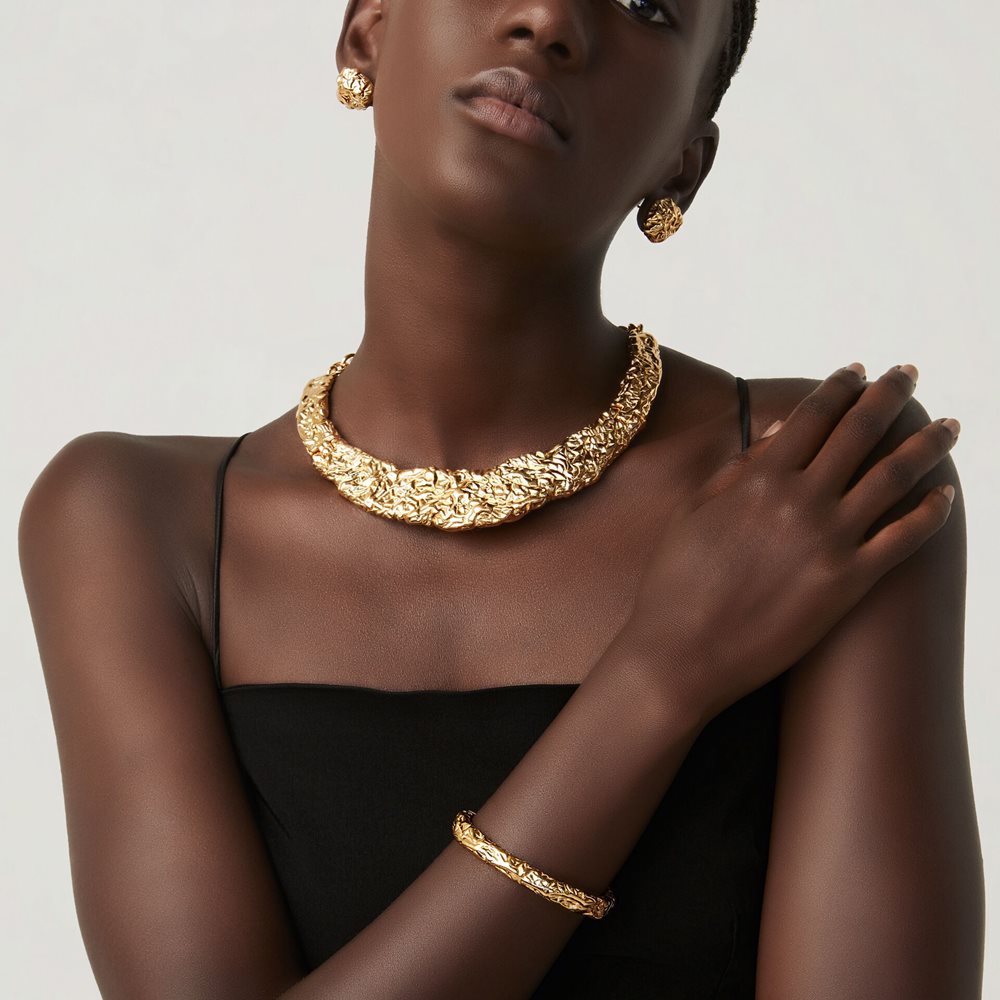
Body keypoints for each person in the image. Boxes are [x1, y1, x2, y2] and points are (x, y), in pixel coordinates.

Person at [18, 1, 985, 997]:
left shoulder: (820, 482)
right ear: (367, 28)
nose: (549, 17)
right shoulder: (132, 524)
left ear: (682, 166)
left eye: (646, 4)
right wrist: (660, 676)